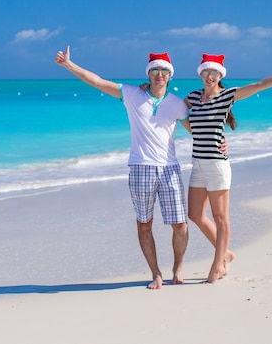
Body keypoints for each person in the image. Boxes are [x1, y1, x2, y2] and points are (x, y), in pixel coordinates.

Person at [54, 46, 193, 289]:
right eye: (155, 70)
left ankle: (178, 267)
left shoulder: (177, 104)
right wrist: (69, 65)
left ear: (170, 76)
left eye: (164, 71)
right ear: (149, 74)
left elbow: (196, 130)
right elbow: (97, 81)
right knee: (144, 223)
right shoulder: (131, 94)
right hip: (141, 168)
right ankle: (156, 273)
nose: (160, 74)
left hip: (170, 168)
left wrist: (219, 142)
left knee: (180, 225)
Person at [186, 53, 272, 284]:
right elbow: (173, 111)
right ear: (201, 74)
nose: (210, 76)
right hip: (197, 164)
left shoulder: (228, 95)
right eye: (206, 72)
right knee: (195, 215)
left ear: (220, 75)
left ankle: (218, 264)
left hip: (217, 166)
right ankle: (227, 254)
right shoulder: (192, 97)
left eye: (214, 73)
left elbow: (259, 85)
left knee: (220, 217)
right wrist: (145, 90)